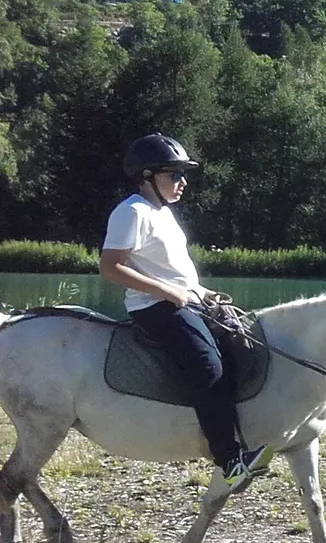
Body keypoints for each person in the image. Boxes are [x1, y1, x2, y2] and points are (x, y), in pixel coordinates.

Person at [100, 134, 268, 495]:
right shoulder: (131, 212)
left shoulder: (163, 214)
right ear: (147, 176)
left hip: (185, 300)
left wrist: (202, 293)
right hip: (155, 308)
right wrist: (169, 293)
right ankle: (230, 462)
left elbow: (176, 272)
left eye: (183, 175)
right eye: (173, 174)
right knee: (208, 365)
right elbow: (110, 268)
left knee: (242, 343)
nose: (182, 183)